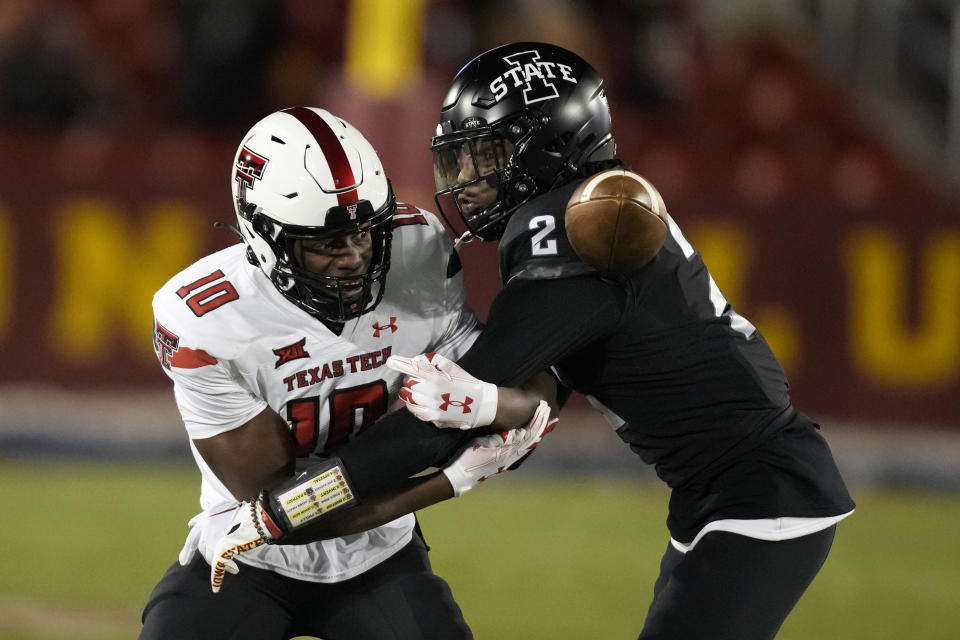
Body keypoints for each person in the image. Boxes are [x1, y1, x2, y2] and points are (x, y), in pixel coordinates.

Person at [209, 43, 854, 640]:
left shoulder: (568, 227)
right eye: (460, 157)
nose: (466, 179)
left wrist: (279, 512)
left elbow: (441, 422)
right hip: (729, 487)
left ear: (549, 145)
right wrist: (491, 414)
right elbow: (526, 396)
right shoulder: (588, 209)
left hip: (759, 490)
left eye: (485, 155)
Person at [139, 106, 555, 640]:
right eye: (327, 243)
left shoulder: (419, 249)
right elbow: (281, 510)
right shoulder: (204, 319)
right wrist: (448, 479)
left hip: (377, 554)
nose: (355, 257)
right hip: (249, 554)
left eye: (365, 234)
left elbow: (522, 393)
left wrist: (495, 407)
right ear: (265, 238)